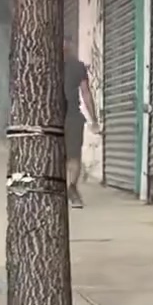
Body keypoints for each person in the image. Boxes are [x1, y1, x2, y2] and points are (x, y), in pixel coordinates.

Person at [64, 54, 97, 209]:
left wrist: (93, 118)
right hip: (54, 117)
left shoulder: (77, 66)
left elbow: (86, 93)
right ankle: (69, 188)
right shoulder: (46, 63)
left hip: (71, 116)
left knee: (73, 155)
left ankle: (72, 187)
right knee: (68, 156)